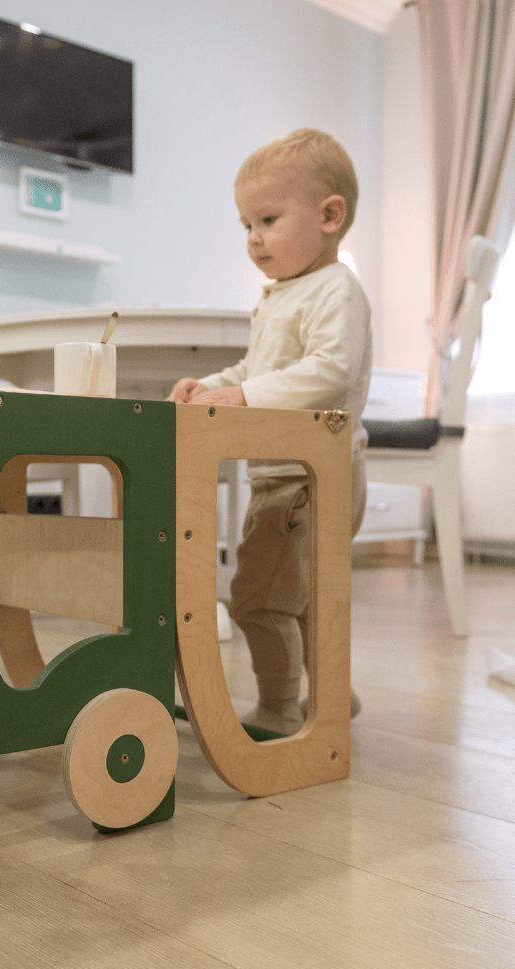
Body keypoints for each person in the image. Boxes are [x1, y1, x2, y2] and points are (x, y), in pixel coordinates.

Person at [167, 129, 372, 736]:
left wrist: (246, 397)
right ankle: (334, 693)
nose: (253, 239)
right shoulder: (283, 293)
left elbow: (330, 369)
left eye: (268, 219)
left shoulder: (336, 290)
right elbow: (260, 370)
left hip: (308, 477)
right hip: (288, 474)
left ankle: (281, 710)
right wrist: (212, 385)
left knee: (258, 597)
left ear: (329, 215)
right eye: (246, 225)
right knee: (306, 596)